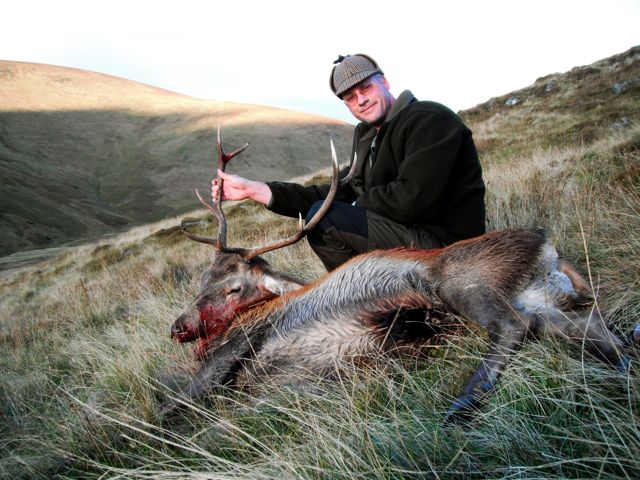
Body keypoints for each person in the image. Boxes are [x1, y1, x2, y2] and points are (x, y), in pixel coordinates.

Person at [212, 54, 486, 271]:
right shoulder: (368, 136)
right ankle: (380, 302)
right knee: (324, 211)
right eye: (350, 97)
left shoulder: (429, 118)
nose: (361, 100)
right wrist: (255, 190)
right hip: (412, 242)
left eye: (366, 87)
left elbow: (413, 199)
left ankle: (373, 305)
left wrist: (351, 207)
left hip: (452, 252)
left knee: (326, 219)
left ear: (385, 82)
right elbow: (336, 191)